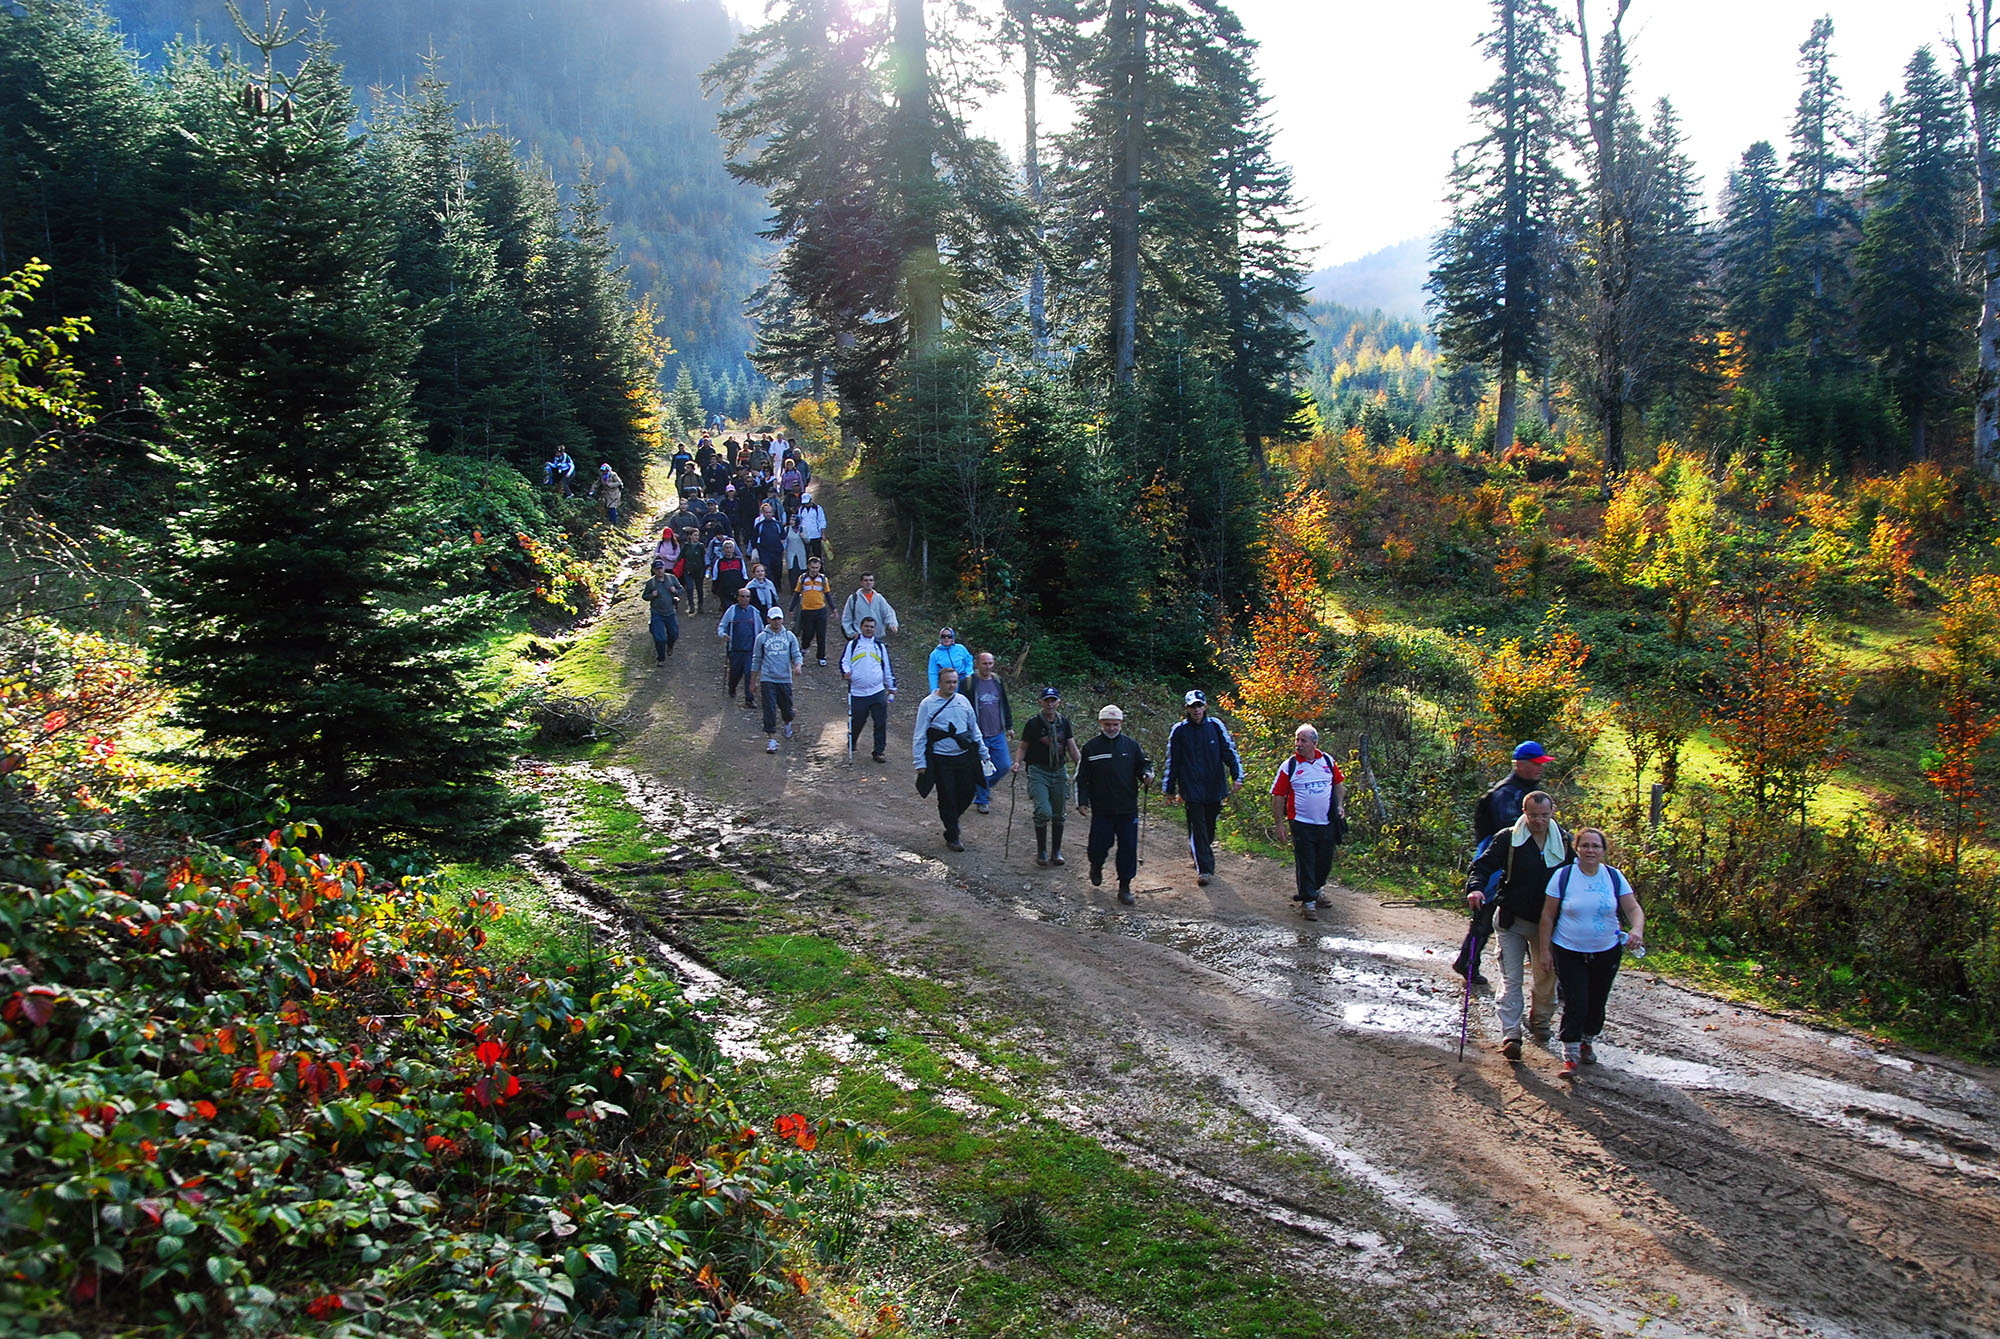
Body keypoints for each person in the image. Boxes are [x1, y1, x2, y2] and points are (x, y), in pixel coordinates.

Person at [1466, 789, 1569, 1058]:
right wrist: (1476, 888)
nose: (1539, 821)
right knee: (1512, 979)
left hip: (1547, 926)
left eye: (1544, 815)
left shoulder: (1565, 844)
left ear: (1552, 812)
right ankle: (1511, 1033)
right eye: (1534, 816)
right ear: (1524, 813)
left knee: (1546, 978)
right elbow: (1482, 866)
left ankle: (1540, 1021)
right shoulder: (1509, 838)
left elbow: (1577, 880)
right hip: (1511, 919)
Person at [1537, 827, 1644, 1079]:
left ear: (1604, 851)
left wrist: (1636, 930)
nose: (1590, 851)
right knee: (1577, 1002)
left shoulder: (1614, 877)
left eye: (1596, 846)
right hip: (1569, 950)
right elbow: (1547, 915)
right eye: (1585, 845)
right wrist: (1544, 951)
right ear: (1577, 848)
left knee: (1597, 1003)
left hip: (1606, 951)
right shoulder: (1563, 876)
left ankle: (1587, 1041)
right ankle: (1570, 1056)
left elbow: (1633, 909)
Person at [1455, 741, 1556, 986]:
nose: (1540, 768)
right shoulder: (1506, 793)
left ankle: (1549, 976)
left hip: (1520, 863)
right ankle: (1468, 962)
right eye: (1536, 764)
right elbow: (1509, 833)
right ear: (1520, 765)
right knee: (1488, 914)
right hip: (1500, 862)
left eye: (1542, 764)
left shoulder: (1527, 791)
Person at [1161, 689, 1243, 887]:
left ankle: (1198, 849)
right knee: (1198, 826)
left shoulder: (1215, 726)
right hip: (1191, 787)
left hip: (1214, 786)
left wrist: (1237, 776)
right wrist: (1169, 789)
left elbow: (1228, 751)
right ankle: (1205, 869)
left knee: (1209, 826)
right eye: (1192, 706)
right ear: (1187, 709)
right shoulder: (1179, 731)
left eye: (1199, 705)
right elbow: (1173, 761)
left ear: (1205, 706)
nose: (1196, 710)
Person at [1268, 724, 1345, 922]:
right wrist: (1279, 824)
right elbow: (1278, 796)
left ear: (1314, 743)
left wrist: (1340, 806)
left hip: (1327, 822)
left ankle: (1317, 889)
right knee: (1306, 861)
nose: (1298, 744)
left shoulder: (1327, 761)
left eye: (1303, 740)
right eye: (1297, 740)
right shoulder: (1290, 766)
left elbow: (1338, 784)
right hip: (1301, 823)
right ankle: (1308, 901)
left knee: (1325, 861)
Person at [1076, 706, 1152, 905]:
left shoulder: (1131, 746)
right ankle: (1096, 865)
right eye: (1107, 724)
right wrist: (1082, 801)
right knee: (1098, 847)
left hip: (1127, 808)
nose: (1111, 728)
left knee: (1128, 848)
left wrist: (1146, 775)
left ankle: (1125, 887)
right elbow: (1082, 777)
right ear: (1101, 724)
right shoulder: (1090, 747)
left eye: (1115, 724)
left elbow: (1143, 765)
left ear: (1121, 724)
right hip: (1102, 809)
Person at [912, 666, 990, 851]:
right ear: (939, 683)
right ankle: (952, 834)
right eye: (948, 682)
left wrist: (984, 753)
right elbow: (920, 735)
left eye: (955, 682)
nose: (952, 685)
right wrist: (920, 762)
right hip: (941, 759)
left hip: (964, 757)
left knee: (967, 792)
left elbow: (974, 729)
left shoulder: (963, 701)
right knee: (946, 796)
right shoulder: (927, 704)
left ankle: (952, 818)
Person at [1014, 687, 1080, 867]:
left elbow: (1072, 747)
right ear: (1040, 702)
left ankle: (1055, 851)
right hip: (1038, 771)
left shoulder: (1063, 723)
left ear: (1059, 702)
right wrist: (1017, 762)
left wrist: (1082, 768)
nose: (1050, 704)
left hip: (1058, 771)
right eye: (1047, 700)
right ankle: (1042, 850)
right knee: (1043, 811)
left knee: (1059, 814)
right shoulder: (1033, 724)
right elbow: (1023, 747)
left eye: (1053, 700)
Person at [962, 651, 1014, 813]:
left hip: (997, 732)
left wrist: (1010, 726)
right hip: (979, 734)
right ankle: (982, 799)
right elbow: (961, 705)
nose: (988, 667)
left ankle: (980, 787)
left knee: (1004, 765)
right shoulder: (968, 683)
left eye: (990, 663)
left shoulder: (997, 681)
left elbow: (1004, 703)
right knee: (982, 767)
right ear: (977, 664)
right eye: (984, 663)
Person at [749, 607, 805, 753]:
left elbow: (796, 654)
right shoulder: (762, 638)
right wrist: (753, 681)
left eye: (779, 619)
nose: (776, 622)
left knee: (787, 707)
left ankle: (787, 723)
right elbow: (756, 660)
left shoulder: (789, 636)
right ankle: (771, 739)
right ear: (768, 620)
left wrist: (798, 666)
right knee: (769, 708)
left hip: (785, 678)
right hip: (768, 678)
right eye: (774, 619)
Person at [842, 614, 896, 763]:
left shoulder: (879, 647)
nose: (869, 629)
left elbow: (886, 668)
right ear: (861, 627)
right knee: (858, 721)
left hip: (877, 691)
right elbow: (845, 662)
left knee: (880, 722)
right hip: (858, 692)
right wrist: (846, 672)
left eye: (872, 627)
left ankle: (879, 751)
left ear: (875, 629)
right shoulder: (852, 645)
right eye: (866, 626)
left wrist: (891, 687)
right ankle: (852, 741)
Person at [716, 587, 762, 709]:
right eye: (742, 596)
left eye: (747, 596)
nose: (744, 599)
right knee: (735, 673)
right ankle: (732, 687)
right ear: (738, 597)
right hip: (735, 649)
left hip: (750, 650)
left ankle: (749, 699)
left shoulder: (754, 612)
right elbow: (722, 626)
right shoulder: (731, 611)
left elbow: (761, 630)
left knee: (749, 674)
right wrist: (723, 635)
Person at [791, 554, 832, 666]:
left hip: (820, 610)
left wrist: (834, 609)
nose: (814, 570)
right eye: (813, 567)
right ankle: (804, 648)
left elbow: (828, 595)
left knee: (821, 634)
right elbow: (796, 593)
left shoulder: (823, 579)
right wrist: (791, 608)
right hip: (807, 610)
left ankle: (821, 656)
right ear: (808, 566)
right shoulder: (803, 578)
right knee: (807, 633)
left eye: (817, 567)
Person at [642, 561, 684, 664]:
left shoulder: (671, 578)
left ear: (664, 568)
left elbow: (681, 590)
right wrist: (652, 595)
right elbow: (644, 596)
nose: (660, 571)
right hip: (657, 613)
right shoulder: (651, 583)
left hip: (670, 612)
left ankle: (670, 646)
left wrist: (675, 591)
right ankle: (661, 658)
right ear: (653, 570)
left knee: (674, 634)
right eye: (657, 569)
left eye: (661, 568)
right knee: (660, 638)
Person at [840, 573, 899, 640]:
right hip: (859, 638)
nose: (868, 583)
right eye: (866, 580)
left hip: (877, 637)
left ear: (873, 583)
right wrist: (852, 633)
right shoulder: (854, 598)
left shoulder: (879, 598)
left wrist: (892, 624)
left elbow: (888, 612)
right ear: (861, 583)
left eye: (871, 580)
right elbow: (847, 618)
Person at [926, 627, 974, 693]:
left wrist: (969, 675)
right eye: (943, 636)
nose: (946, 638)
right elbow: (933, 674)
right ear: (940, 638)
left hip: (963, 682)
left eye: (949, 636)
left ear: (953, 638)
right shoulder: (934, 654)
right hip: (947, 684)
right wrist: (934, 691)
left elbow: (968, 661)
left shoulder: (961, 648)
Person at [752, 502, 787, 587]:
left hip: (776, 552)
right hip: (764, 552)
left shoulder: (777, 524)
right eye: (766, 512)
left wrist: (781, 547)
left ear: (772, 513)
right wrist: (756, 548)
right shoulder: (759, 525)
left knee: (778, 570)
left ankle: (778, 586)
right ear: (763, 513)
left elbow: (783, 536)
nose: (768, 514)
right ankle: (769, 586)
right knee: (767, 570)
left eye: (769, 512)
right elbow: (754, 538)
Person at [707, 538, 749, 609]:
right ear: (723, 550)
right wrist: (714, 590)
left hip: (738, 590)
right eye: (726, 548)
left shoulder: (739, 561)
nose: (728, 550)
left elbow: (744, 575)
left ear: (733, 549)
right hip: (724, 591)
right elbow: (715, 577)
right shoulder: (719, 562)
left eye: (730, 548)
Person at [796, 493, 828, 563]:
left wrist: (822, 533)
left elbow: (822, 521)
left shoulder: (818, 508)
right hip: (805, 535)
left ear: (811, 500)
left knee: (817, 554)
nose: (806, 504)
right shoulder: (801, 509)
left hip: (815, 535)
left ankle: (820, 569)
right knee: (806, 554)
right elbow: (799, 521)